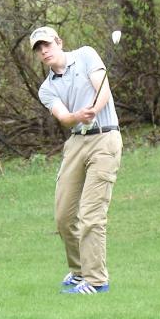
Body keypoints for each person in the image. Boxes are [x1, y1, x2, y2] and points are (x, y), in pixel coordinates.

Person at [31, 26, 122, 294]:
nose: (44, 51)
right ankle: (79, 270)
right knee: (64, 216)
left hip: (105, 139)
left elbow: (102, 88)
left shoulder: (85, 55)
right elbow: (63, 116)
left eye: (47, 44)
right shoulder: (46, 88)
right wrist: (78, 116)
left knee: (92, 214)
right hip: (76, 142)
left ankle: (96, 281)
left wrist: (95, 109)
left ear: (59, 42)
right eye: (38, 48)